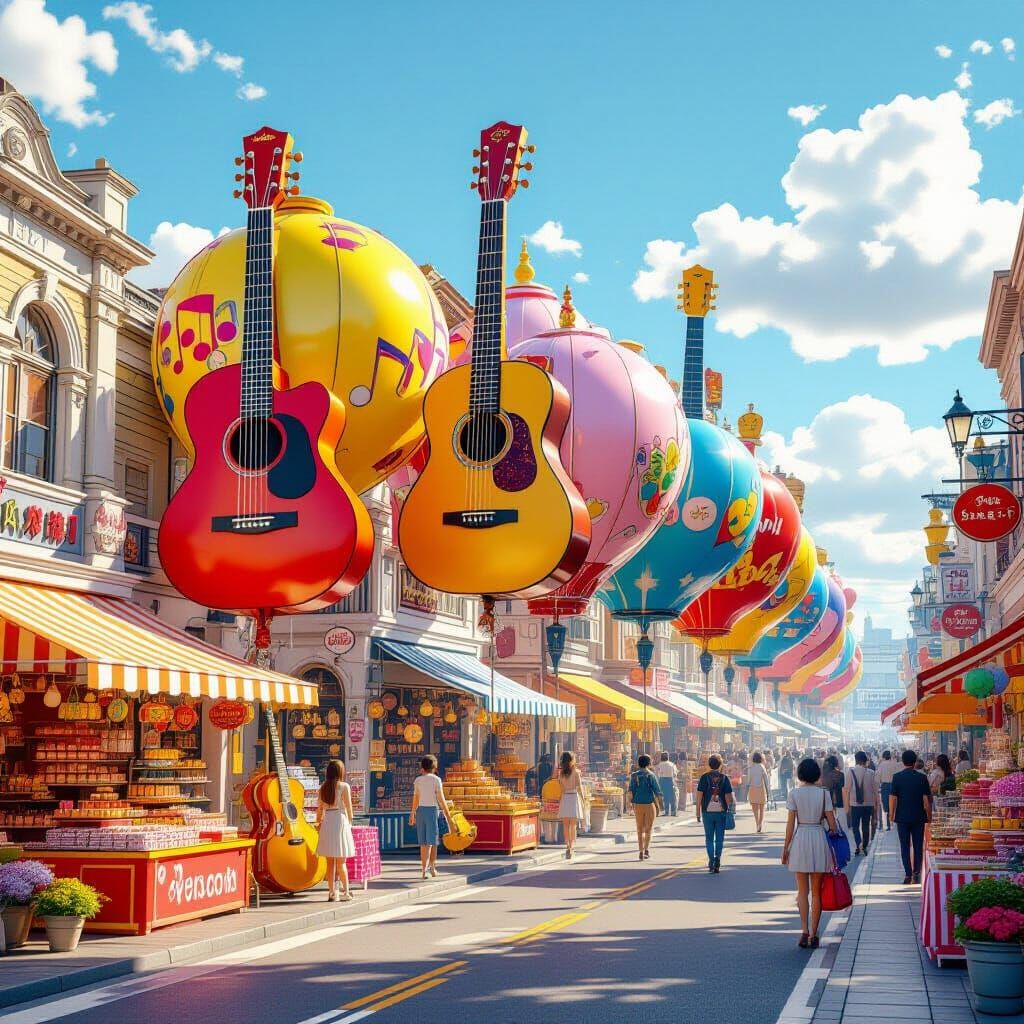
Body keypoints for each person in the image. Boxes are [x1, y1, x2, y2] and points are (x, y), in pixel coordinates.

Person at [782, 757, 839, 950]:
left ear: (800, 774)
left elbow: (790, 825)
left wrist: (785, 848)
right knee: (816, 892)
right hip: (818, 837)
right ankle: (814, 934)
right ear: (817, 774)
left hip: (801, 838)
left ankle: (804, 931)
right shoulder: (824, 795)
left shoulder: (794, 794)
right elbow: (833, 825)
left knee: (801, 892)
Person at [889, 749, 932, 884]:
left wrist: (891, 814)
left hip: (902, 817)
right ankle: (917, 872)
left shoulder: (897, 777)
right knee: (918, 845)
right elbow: (926, 800)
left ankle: (908, 873)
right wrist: (929, 816)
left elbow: (893, 798)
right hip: (919, 816)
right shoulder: (922, 778)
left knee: (904, 845)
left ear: (903, 762)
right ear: (914, 762)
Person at [410, 755, 455, 881]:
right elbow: (441, 799)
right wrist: (447, 814)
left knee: (423, 842)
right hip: (432, 810)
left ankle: (425, 869)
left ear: (422, 767)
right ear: (434, 767)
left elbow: (416, 798)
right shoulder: (436, 780)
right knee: (432, 841)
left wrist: (412, 813)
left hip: (420, 811)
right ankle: (431, 867)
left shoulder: (418, 780)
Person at [316, 759, 356, 901]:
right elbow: (349, 808)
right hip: (340, 820)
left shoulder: (323, 788)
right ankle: (346, 892)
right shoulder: (344, 786)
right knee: (341, 861)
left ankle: (332, 893)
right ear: (340, 772)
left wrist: (318, 823)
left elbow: (319, 810)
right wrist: (350, 822)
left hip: (328, 821)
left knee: (330, 862)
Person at [696, 755, 734, 873]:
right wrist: (730, 810)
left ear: (709, 764)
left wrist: (698, 813)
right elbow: (729, 798)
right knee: (719, 838)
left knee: (708, 838)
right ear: (720, 764)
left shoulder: (704, 778)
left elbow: (699, 797)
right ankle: (718, 859)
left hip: (707, 812)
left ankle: (711, 860)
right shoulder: (724, 778)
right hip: (721, 812)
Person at [843, 751, 878, 857]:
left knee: (855, 826)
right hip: (868, 804)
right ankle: (864, 845)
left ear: (856, 760)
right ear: (865, 761)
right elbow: (875, 790)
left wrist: (846, 805)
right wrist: (876, 805)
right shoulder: (871, 773)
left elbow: (846, 789)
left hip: (854, 804)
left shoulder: (851, 772)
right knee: (866, 825)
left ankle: (858, 844)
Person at [629, 754, 664, 859]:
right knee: (648, 829)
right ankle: (646, 850)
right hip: (649, 804)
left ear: (639, 763)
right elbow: (657, 791)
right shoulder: (651, 775)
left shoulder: (634, 776)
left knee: (639, 829)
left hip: (638, 805)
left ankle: (640, 851)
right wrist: (661, 804)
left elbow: (631, 791)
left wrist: (631, 804)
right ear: (649, 763)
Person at [556, 751, 585, 860]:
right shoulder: (576, 772)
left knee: (565, 825)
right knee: (573, 825)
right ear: (572, 760)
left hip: (565, 797)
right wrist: (583, 799)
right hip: (573, 797)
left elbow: (561, 788)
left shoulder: (561, 773)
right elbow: (580, 787)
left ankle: (567, 845)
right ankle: (571, 846)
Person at [747, 751, 771, 833]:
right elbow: (766, 780)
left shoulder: (751, 768)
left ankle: (757, 823)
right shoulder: (762, 767)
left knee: (755, 809)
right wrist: (768, 792)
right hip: (761, 788)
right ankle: (760, 824)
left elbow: (749, 780)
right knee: (761, 808)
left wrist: (747, 788)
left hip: (753, 788)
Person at [876, 750, 899, 831]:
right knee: (894, 803)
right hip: (894, 785)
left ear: (883, 757)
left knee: (886, 805)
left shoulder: (881, 765)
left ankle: (889, 825)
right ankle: (893, 821)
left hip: (885, 786)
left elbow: (877, 777)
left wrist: (877, 786)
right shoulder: (894, 764)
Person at [654, 751, 678, 816]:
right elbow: (675, 774)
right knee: (672, 796)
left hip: (661, 781)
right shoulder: (672, 764)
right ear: (668, 757)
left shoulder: (658, 765)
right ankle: (673, 812)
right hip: (670, 780)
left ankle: (666, 812)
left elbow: (656, 774)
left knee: (664, 797)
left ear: (661, 757)